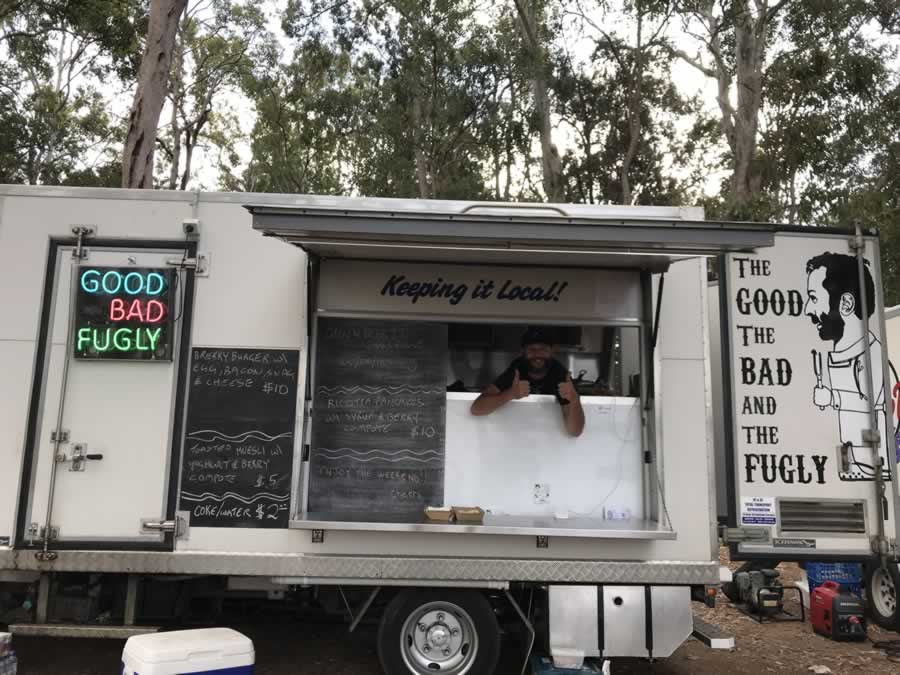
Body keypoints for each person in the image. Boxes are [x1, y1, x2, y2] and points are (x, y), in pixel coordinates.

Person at [804, 252, 895, 480]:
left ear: (846, 304)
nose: (808, 310)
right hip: (851, 467)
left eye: (813, 298)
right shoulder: (836, 356)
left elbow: (871, 401)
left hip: (873, 468)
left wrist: (832, 397)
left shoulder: (873, 355)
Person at [470, 327, 585, 437]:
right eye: (531, 349)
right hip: (514, 434)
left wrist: (574, 400)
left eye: (543, 349)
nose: (537, 354)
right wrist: (510, 394)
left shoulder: (560, 374)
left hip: (549, 438)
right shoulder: (517, 369)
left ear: (552, 351)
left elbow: (574, 431)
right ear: (523, 352)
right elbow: (476, 409)